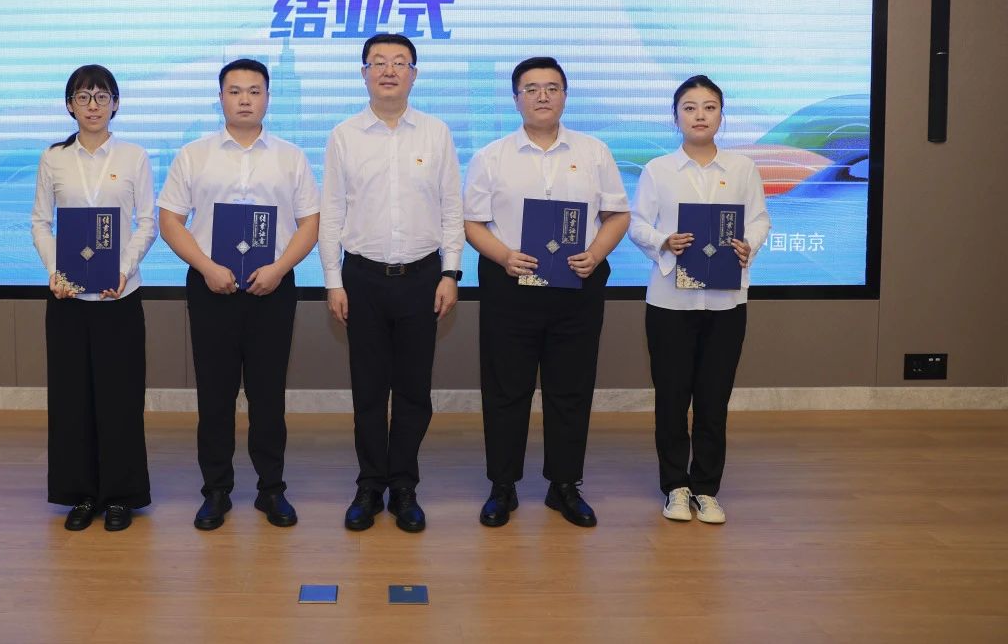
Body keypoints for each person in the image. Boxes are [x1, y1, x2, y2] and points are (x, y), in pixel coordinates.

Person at [463, 56, 630, 528]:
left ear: (565, 96)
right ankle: (503, 486)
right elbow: (471, 222)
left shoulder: (594, 151)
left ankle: (565, 485)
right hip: (510, 285)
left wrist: (596, 252)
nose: (542, 96)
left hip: (577, 286)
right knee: (505, 390)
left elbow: (618, 214)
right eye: (531, 88)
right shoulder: (492, 156)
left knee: (570, 389)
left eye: (552, 88)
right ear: (516, 98)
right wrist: (503, 256)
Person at [158, 59, 319, 531]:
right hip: (211, 287)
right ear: (220, 98)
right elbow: (170, 220)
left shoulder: (290, 157)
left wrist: (279, 269)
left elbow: (310, 222)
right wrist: (206, 267)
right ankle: (216, 491)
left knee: (269, 395)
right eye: (234, 91)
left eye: (254, 90)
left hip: (273, 287)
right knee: (215, 394)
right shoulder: (194, 155)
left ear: (268, 97)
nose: (244, 99)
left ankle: (272, 489)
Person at [319, 33, 463, 533]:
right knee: (367, 390)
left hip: (422, 278)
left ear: (414, 74)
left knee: (413, 391)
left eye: (399, 62)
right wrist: (333, 282)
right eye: (378, 62)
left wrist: (450, 273)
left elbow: (452, 208)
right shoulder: (344, 135)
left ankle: (404, 485)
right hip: (362, 278)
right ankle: (369, 485)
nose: (388, 70)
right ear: (363, 73)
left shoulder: (436, 133)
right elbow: (332, 213)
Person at [628, 75, 770, 525]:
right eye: (689, 107)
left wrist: (749, 244)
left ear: (722, 115)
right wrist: (663, 241)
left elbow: (760, 219)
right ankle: (675, 486)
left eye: (709, 107)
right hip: (670, 302)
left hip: (726, 302)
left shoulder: (743, 168)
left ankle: (706, 488)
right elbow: (636, 223)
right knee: (671, 399)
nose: (700, 115)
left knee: (713, 399)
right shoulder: (658, 170)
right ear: (676, 117)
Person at [30, 64, 157, 532]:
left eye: (102, 96)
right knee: (72, 399)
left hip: (118, 297)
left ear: (116, 104)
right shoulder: (53, 158)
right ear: (70, 105)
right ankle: (80, 494)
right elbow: (40, 222)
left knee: (120, 398)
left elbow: (148, 222)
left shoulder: (134, 156)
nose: (93, 106)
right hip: (67, 300)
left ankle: (121, 495)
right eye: (83, 97)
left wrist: (123, 269)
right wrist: (54, 272)